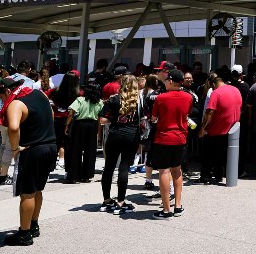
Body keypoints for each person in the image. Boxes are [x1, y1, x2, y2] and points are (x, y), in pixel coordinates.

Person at [1, 77, 58, 247]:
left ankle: (24, 234)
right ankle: (33, 225)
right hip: (50, 145)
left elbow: (13, 127)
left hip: (32, 149)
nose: (3, 101)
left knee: (27, 192)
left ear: (7, 91)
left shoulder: (16, 103)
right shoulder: (39, 95)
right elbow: (52, 114)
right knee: (38, 188)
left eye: (2, 98)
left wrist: (14, 148)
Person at [150, 69, 192, 218]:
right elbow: (187, 114)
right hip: (180, 137)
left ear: (171, 81)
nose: (165, 82)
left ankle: (166, 209)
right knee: (177, 171)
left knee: (164, 171)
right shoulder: (188, 97)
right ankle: (178, 206)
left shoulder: (161, 98)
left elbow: (154, 118)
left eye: (167, 80)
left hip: (163, 137)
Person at [97, 74, 142, 214]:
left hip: (114, 135)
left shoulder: (114, 100)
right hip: (131, 136)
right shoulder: (139, 101)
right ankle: (121, 201)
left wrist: (115, 120)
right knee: (124, 167)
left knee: (109, 167)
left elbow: (102, 120)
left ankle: (106, 200)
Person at [199, 77, 242, 184]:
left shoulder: (216, 93)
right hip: (232, 129)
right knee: (222, 155)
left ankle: (206, 176)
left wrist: (202, 128)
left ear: (214, 85)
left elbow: (210, 112)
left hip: (216, 129)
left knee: (208, 154)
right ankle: (219, 175)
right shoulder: (236, 90)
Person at [64, 81, 103, 183]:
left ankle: (73, 175)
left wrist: (67, 125)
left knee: (75, 149)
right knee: (90, 151)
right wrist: (99, 133)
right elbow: (100, 118)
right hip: (93, 125)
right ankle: (87, 175)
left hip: (80, 125)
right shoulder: (99, 102)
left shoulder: (80, 100)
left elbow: (71, 112)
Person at [49, 72, 79, 172]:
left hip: (57, 120)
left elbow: (44, 95)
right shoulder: (79, 94)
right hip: (72, 121)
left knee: (55, 143)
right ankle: (68, 170)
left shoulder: (54, 92)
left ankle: (50, 166)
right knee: (69, 145)